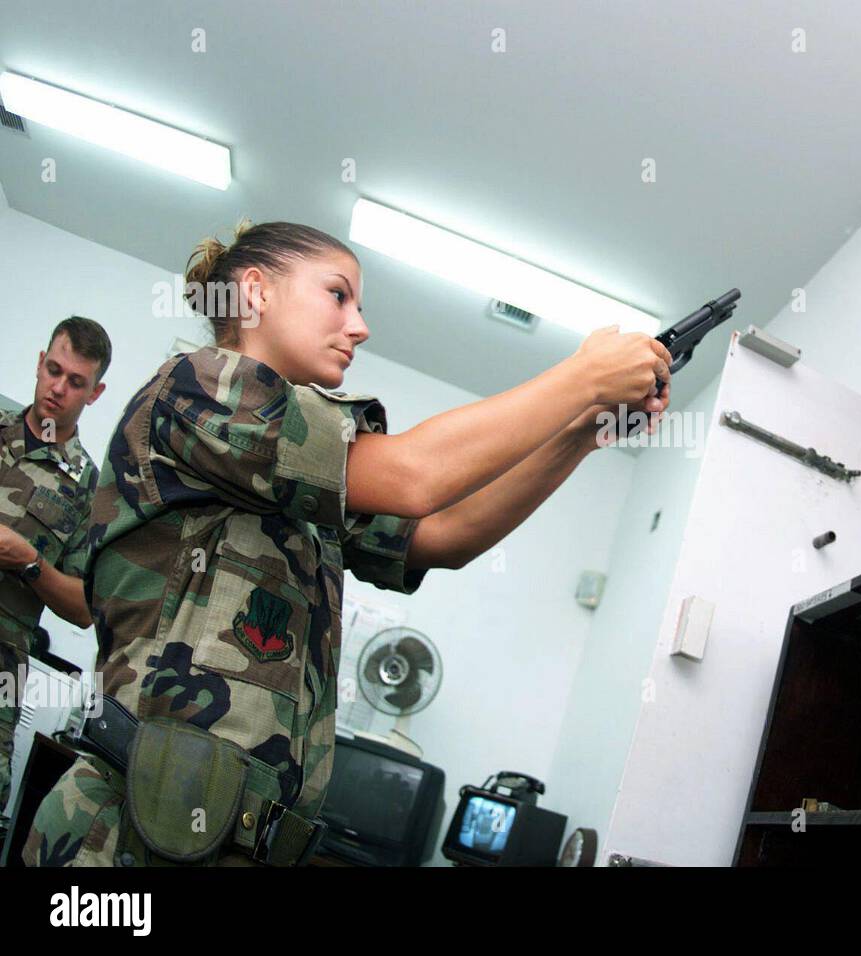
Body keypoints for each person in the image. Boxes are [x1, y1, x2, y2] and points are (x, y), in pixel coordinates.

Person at [23, 219, 671, 866]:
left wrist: (584, 432)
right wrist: (582, 378)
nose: (359, 325)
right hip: (120, 841)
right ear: (255, 291)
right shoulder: (199, 386)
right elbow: (416, 477)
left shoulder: (306, 471)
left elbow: (444, 534)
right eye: (338, 295)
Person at [0, 317, 109, 825]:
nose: (58, 389)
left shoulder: (90, 489)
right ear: (39, 361)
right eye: (53, 370)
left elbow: (84, 609)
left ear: (96, 392)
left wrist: (29, 562)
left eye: (76, 382)